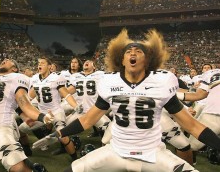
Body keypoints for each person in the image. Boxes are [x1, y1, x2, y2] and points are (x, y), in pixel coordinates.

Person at [33, 29, 220, 172]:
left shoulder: (162, 82)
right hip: (116, 151)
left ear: (147, 60)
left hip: (153, 153)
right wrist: (58, 134)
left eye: (139, 51)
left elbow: (192, 126)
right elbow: (87, 120)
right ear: (121, 60)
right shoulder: (109, 82)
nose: (133, 53)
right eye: (128, 51)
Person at [26, 57, 79, 161]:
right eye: (38, 63)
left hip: (56, 112)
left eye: (42, 63)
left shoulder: (56, 78)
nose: (39, 65)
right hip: (42, 114)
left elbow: (66, 94)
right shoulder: (35, 78)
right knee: (22, 129)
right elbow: (29, 97)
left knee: (63, 136)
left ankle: (75, 159)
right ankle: (28, 149)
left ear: (50, 66)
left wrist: (76, 106)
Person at [177, 68, 220, 165]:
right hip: (212, 115)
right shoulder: (213, 73)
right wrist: (172, 94)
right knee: (190, 148)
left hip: (212, 115)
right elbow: (198, 95)